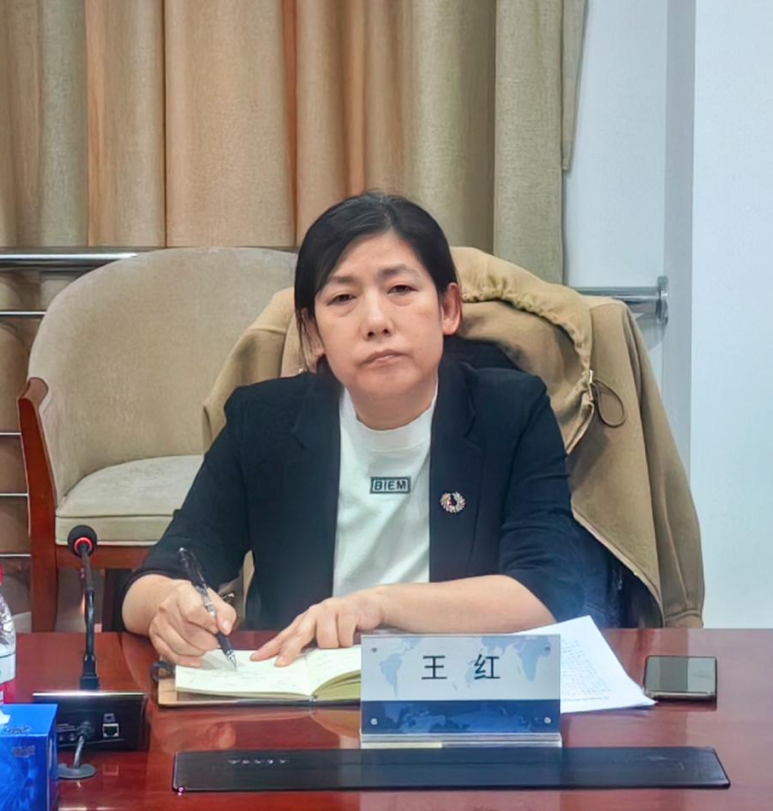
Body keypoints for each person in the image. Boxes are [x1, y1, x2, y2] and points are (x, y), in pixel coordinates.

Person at [121, 192, 607, 667]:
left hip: (452, 690)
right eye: (343, 298)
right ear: (314, 334)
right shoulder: (264, 422)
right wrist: (170, 605)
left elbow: (547, 592)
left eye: (400, 290)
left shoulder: (511, 412)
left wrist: (378, 605)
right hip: (301, 694)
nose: (376, 321)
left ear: (448, 309)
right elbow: (150, 583)